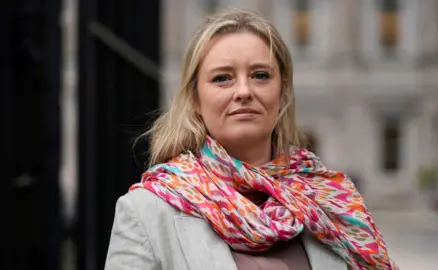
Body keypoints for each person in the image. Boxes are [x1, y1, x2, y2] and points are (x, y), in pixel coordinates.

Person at [105, 9, 397, 270]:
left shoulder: (332, 203)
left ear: (282, 92)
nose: (244, 91)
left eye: (260, 75)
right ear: (195, 97)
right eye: (223, 78)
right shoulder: (147, 211)